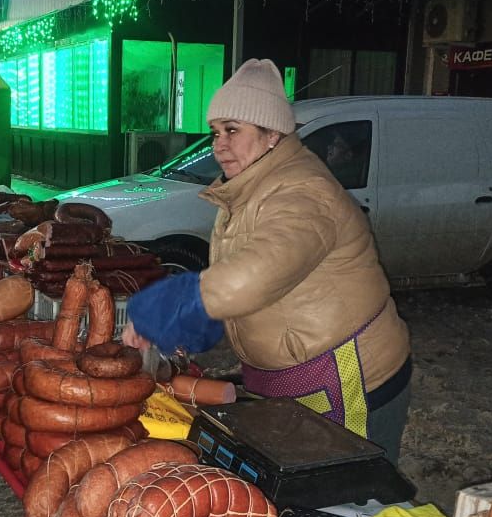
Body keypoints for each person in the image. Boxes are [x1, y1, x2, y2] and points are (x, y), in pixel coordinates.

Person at [122, 59, 413, 462]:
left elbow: (255, 275)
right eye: (215, 132)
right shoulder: (246, 191)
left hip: (347, 378)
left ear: (272, 134)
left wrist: (166, 307)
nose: (218, 144)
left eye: (233, 131)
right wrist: (199, 325)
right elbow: (245, 285)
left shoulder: (303, 192)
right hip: (289, 382)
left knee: (349, 503)